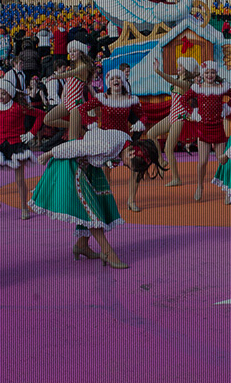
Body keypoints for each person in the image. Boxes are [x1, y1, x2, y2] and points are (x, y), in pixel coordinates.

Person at [30, 129, 158, 269]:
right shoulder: (107, 146)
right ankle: (108, 252)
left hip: (86, 167)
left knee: (97, 205)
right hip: (72, 164)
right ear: (132, 152)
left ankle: (82, 245)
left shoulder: (125, 141)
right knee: (92, 213)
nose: (125, 165)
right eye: (128, 164)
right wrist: (50, 154)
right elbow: (76, 147)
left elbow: (96, 134)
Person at [77, 70, 149, 211]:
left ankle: (131, 200)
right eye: (112, 79)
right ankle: (106, 202)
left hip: (124, 140)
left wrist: (140, 123)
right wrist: (91, 124)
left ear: (122, 82)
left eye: (118, 78)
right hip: (106, 139)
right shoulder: (102, 97)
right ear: (108, 83)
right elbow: (82, 108)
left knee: (136, 165)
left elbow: (143, 116)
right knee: (105, 171)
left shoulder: (130, 99)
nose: (115, 80)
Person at [0, 77, 44, 219]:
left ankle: (24, 207)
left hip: (16, 145)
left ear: (10, 94)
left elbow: (40, 115)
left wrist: (31, 133)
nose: (0, 97)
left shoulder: (18, 108)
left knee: (19, 178)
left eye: (3, 93)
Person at [182, 61, 231, 202]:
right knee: (202, 161)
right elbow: (184, 99)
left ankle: (227, 190)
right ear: (203, 74)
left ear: (216, 73)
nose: (210, 75)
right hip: (203, 129)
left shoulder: (221, 87)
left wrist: (227, 107)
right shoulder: (197, 88)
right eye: (207, 72)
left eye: (212, 72)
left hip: (218, 128)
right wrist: (192, 112)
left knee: (223, 161)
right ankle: (200, 186)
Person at [148, 57, 200, 187]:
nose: (178, 68)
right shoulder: (178, 79)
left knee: (168, 148)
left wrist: (158, 71)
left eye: (181, 66)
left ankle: (176, 178)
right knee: (151, 134)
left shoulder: (187, 83)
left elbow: (169, 79)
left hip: (180, 116)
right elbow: (171, 78)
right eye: (178, 65)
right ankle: (161, 160)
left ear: (186, 69)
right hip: (172, 113)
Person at [43, 41, 98, 141]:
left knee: (72, 139)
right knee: (47, 119)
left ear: (81, 52)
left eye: (74, 51)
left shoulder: (84, 67)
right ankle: (77, 127)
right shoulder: (74, 67)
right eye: (70, 52)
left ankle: (78, 131)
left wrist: (55, 76)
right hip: (68, 101)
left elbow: (71, 73)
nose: (71, 54)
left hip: (77, 104)